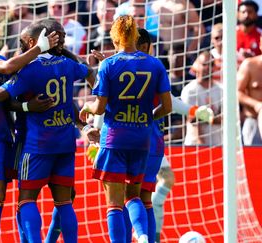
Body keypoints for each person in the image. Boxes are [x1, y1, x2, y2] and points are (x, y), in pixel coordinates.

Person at [0, 20, 94, 242]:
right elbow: (86, 71)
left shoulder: (21, 66)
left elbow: (5, 96)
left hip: (22, 139)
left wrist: (84, 125)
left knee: (27, 198)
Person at [85, 28, 215, 243]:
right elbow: (169, 104)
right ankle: (148, 238)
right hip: (151, 142)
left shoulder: (122, 67)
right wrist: (194, 111)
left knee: (121, 200)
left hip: (123, 139)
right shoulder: (153, 68)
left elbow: (105, 105)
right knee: (144, 199)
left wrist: (96, 134)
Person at [79, 16, 172, 243]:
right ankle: (142, 236)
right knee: (134, 197)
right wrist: (146, 118)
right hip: (141, 140)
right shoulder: (155, 64)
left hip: (115, 139)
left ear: (115, 36)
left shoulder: (109, 65)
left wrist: (86, 107)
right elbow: (167, 107)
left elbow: (100, 108)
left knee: (114, 203)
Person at [181, 51, 222, 146]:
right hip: (194, 145)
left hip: (218, 145)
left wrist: (203, 117)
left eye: (211, 64)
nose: (208, 67)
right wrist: (201, 144)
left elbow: (225, 117)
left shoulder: (221, 89)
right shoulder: (189, 90)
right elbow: (192, 119)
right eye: (204, 64)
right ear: (196, 66)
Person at [237, 50, 262, 145]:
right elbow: (237, 92)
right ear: (260, 44)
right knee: (252, 158)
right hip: (253, 121)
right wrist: (256, 104)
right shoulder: (250, 65)